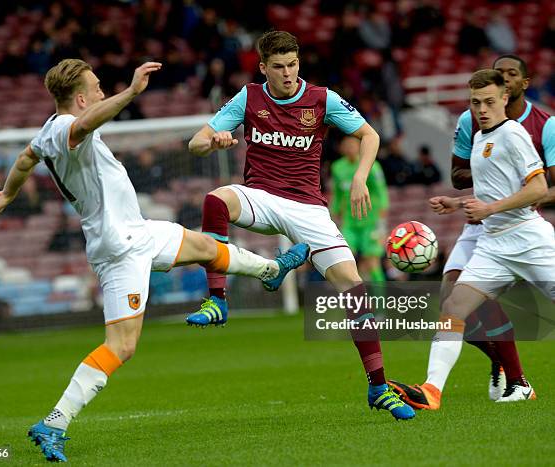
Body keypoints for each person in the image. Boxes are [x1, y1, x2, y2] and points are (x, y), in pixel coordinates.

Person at [0, 58, 308, 462]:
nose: (99, 91)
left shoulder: (46, 132)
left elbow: (25, 159)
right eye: (95, 87)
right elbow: (81, 126)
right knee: (122, 346)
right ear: (80, 98)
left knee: (204, 247)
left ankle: (272, 270)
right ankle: (54, 423)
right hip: (120, 247)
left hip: (138, 230)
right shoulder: (63, 127)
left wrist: (7, 195)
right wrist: (129, 94)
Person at [184, 31, 414, 421]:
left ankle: (378, 387)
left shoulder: (322, 98)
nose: (288, 73)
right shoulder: (249, 97)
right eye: (279, 66)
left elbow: (369, 134)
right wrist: (215, 142)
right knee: (216, 199)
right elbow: (195, 142)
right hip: (263, 197)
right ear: (263, 68)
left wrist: (360, 176)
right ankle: (218, 300)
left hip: (309, 208)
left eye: (292, 64)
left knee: (354, 290)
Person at [389, 56, 554, 410]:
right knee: (454, 306)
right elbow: (493, 188)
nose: (481, 109)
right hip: (494, 244)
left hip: (529, 238)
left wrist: (489, 209)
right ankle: (432, 390)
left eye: (489, 101)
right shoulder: (480, 136)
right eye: (475, 102)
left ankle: (515, 381)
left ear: (504, 99)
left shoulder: (513, 134)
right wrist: (457, 202)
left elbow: (539, 188)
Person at [331, 134, 389, 282]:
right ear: (342, 148)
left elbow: (380, 189)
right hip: (349, 222)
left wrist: (382, 211)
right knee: (344, 260)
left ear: (359, 147)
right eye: (347, 145)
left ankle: (380, 302)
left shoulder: (371, 165)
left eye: (353, 145)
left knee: (372, 262)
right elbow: (337, 192)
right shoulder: (337, 167)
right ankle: (354, 299)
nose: (350, 148)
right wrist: (335, 210)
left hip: (370, 220)